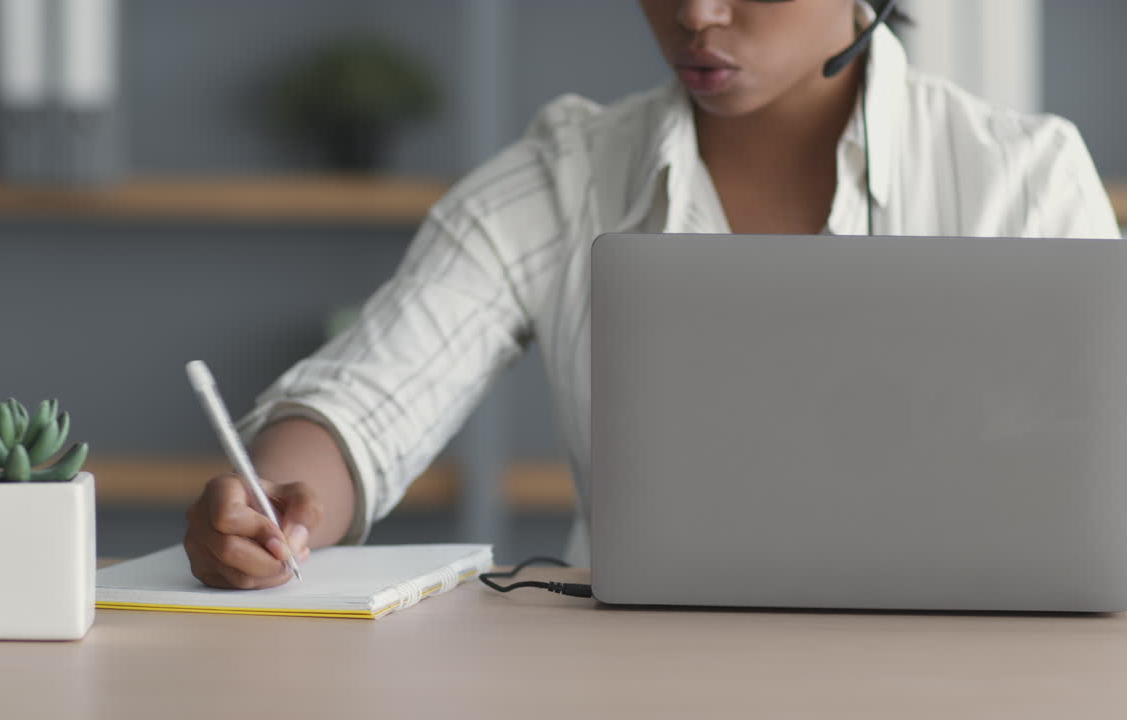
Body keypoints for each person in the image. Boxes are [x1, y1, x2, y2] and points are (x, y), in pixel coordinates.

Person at [183, 0, 1121, 590]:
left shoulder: (1026, 178)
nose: (694, 14)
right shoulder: (565, 177)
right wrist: (278, 502)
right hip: (638, 679)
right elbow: (367, 398)